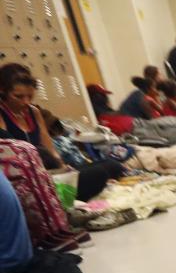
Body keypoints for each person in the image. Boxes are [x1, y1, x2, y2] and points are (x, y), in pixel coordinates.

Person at [0, 67, 124, 203]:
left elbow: (51, 150)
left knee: (112, 165)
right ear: (3, 91)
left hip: (51, 174)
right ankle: (65, 202)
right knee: (98, 175)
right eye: (18, 96)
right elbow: (11, 157)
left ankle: (71, 197)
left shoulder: (33, 112)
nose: (26, 102)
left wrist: (64, 170)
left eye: (30, 96)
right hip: (31, 184)